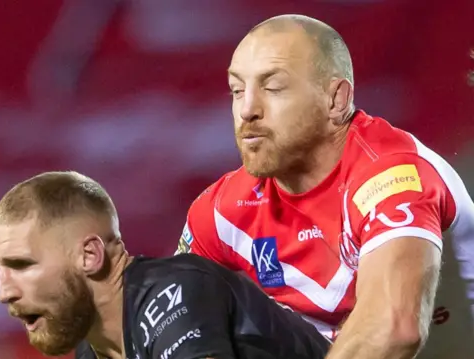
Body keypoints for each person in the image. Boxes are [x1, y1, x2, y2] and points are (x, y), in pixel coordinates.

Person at [175, 14, 474, 359]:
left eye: (273, 88)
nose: (247, 110)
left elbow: (393, 328)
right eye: (237, 90)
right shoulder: (222, 211)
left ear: (336, 99)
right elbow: (162, 313)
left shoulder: (392, 174)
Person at [0, 171, 331, 359]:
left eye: (22, 264)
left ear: (90, 256)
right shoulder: (91, 348)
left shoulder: (172, 296)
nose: (4, 291)